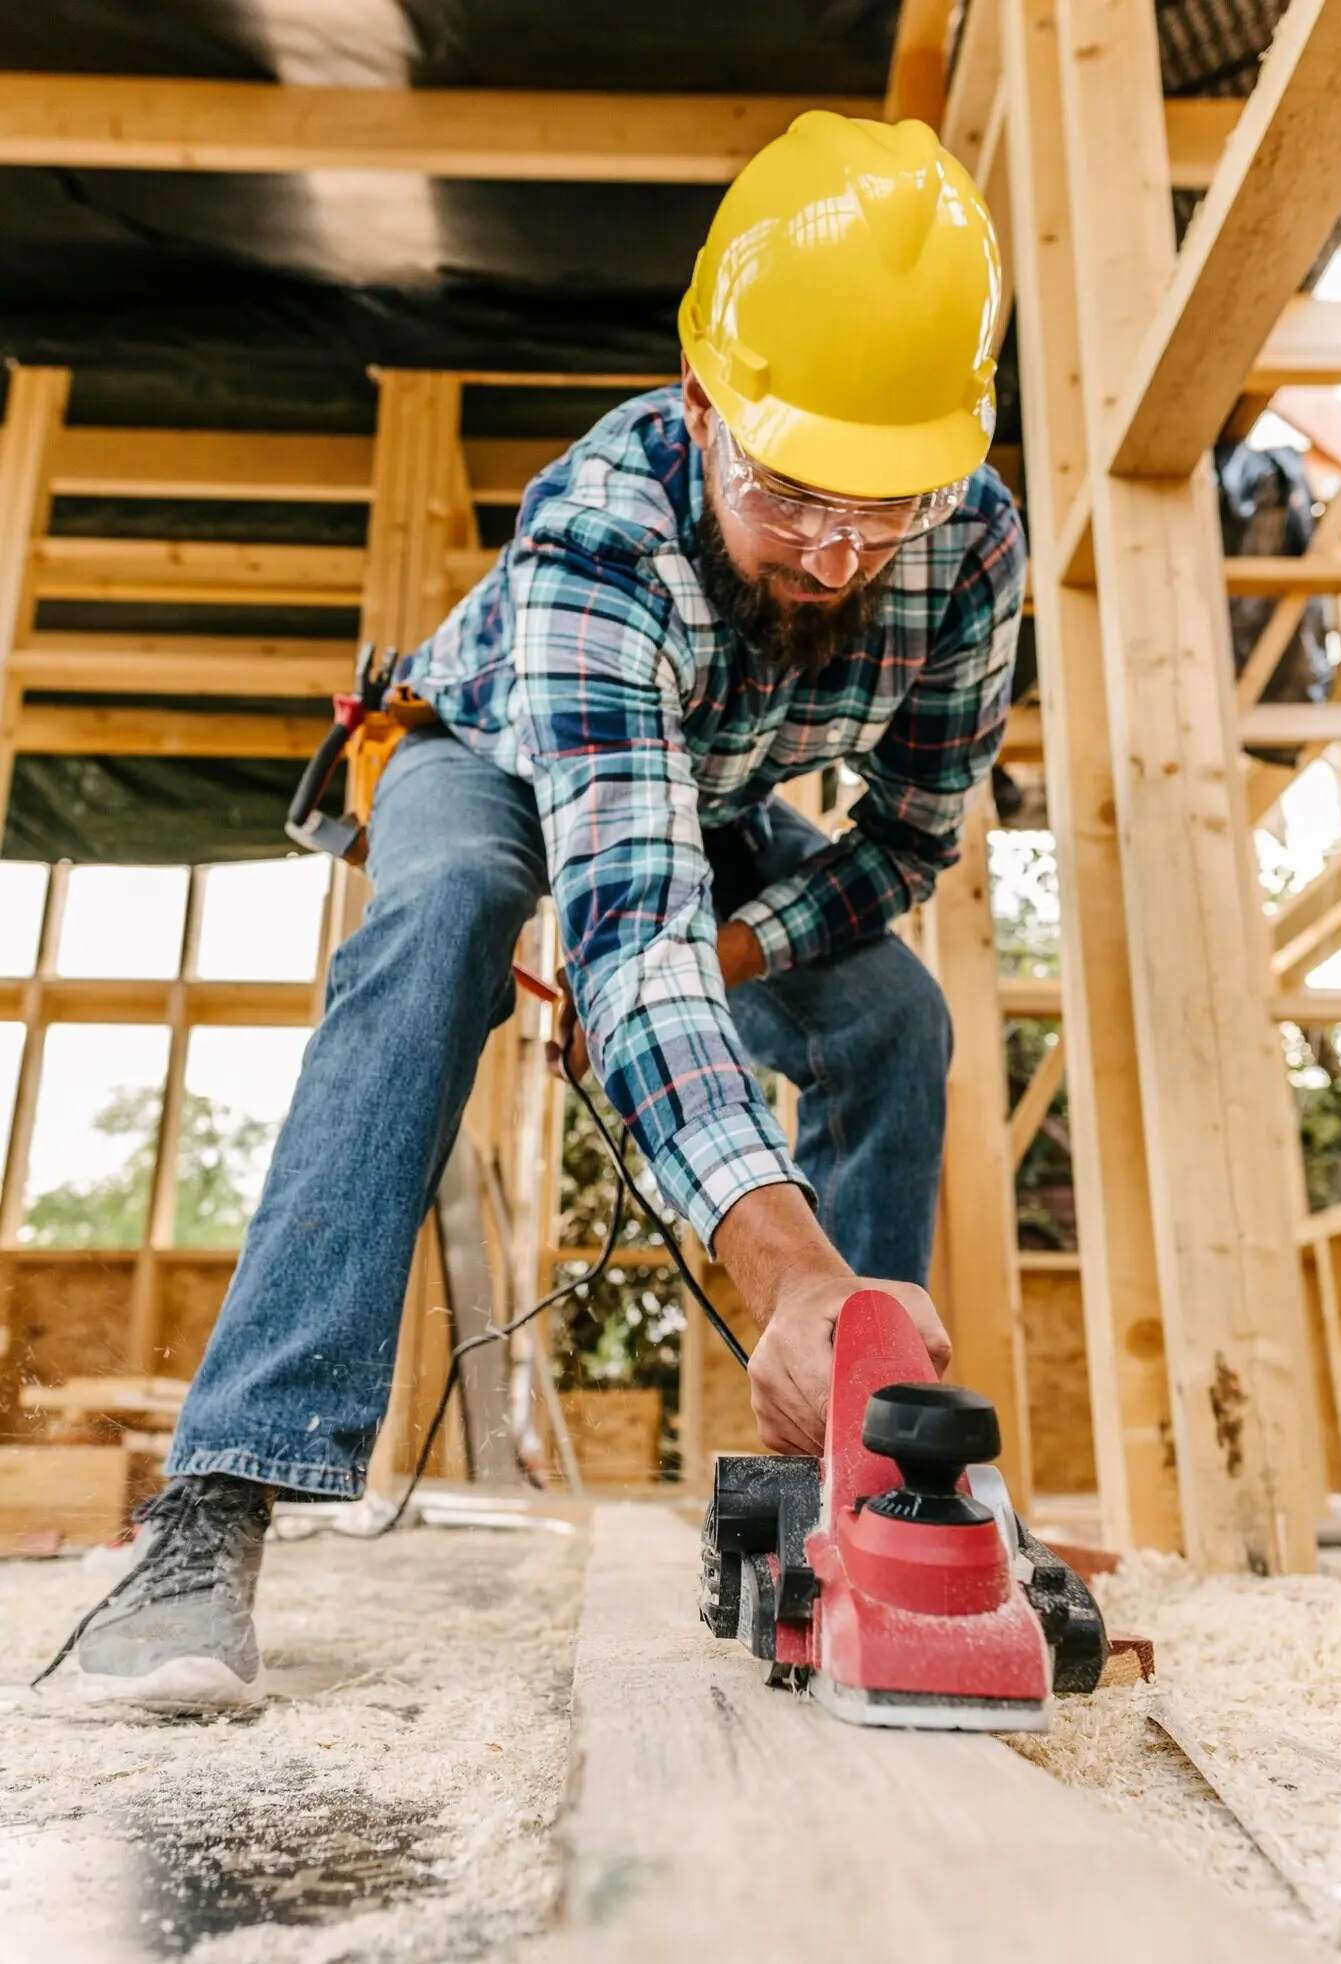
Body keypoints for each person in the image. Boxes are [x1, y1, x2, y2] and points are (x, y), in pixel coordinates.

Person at [68, 111, 1024, 1709]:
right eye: (795, 497)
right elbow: (626, 922)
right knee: (443, 907)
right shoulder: (600, 529)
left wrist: (738, 948)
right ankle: (212, 1504)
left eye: (889, 508)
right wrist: (779, 1261)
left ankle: (870, 1471)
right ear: (707, 401)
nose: (841, 555)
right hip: (499, 756)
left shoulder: (968, 546)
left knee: (895, 1018)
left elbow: (910, 845)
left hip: (706, 805)